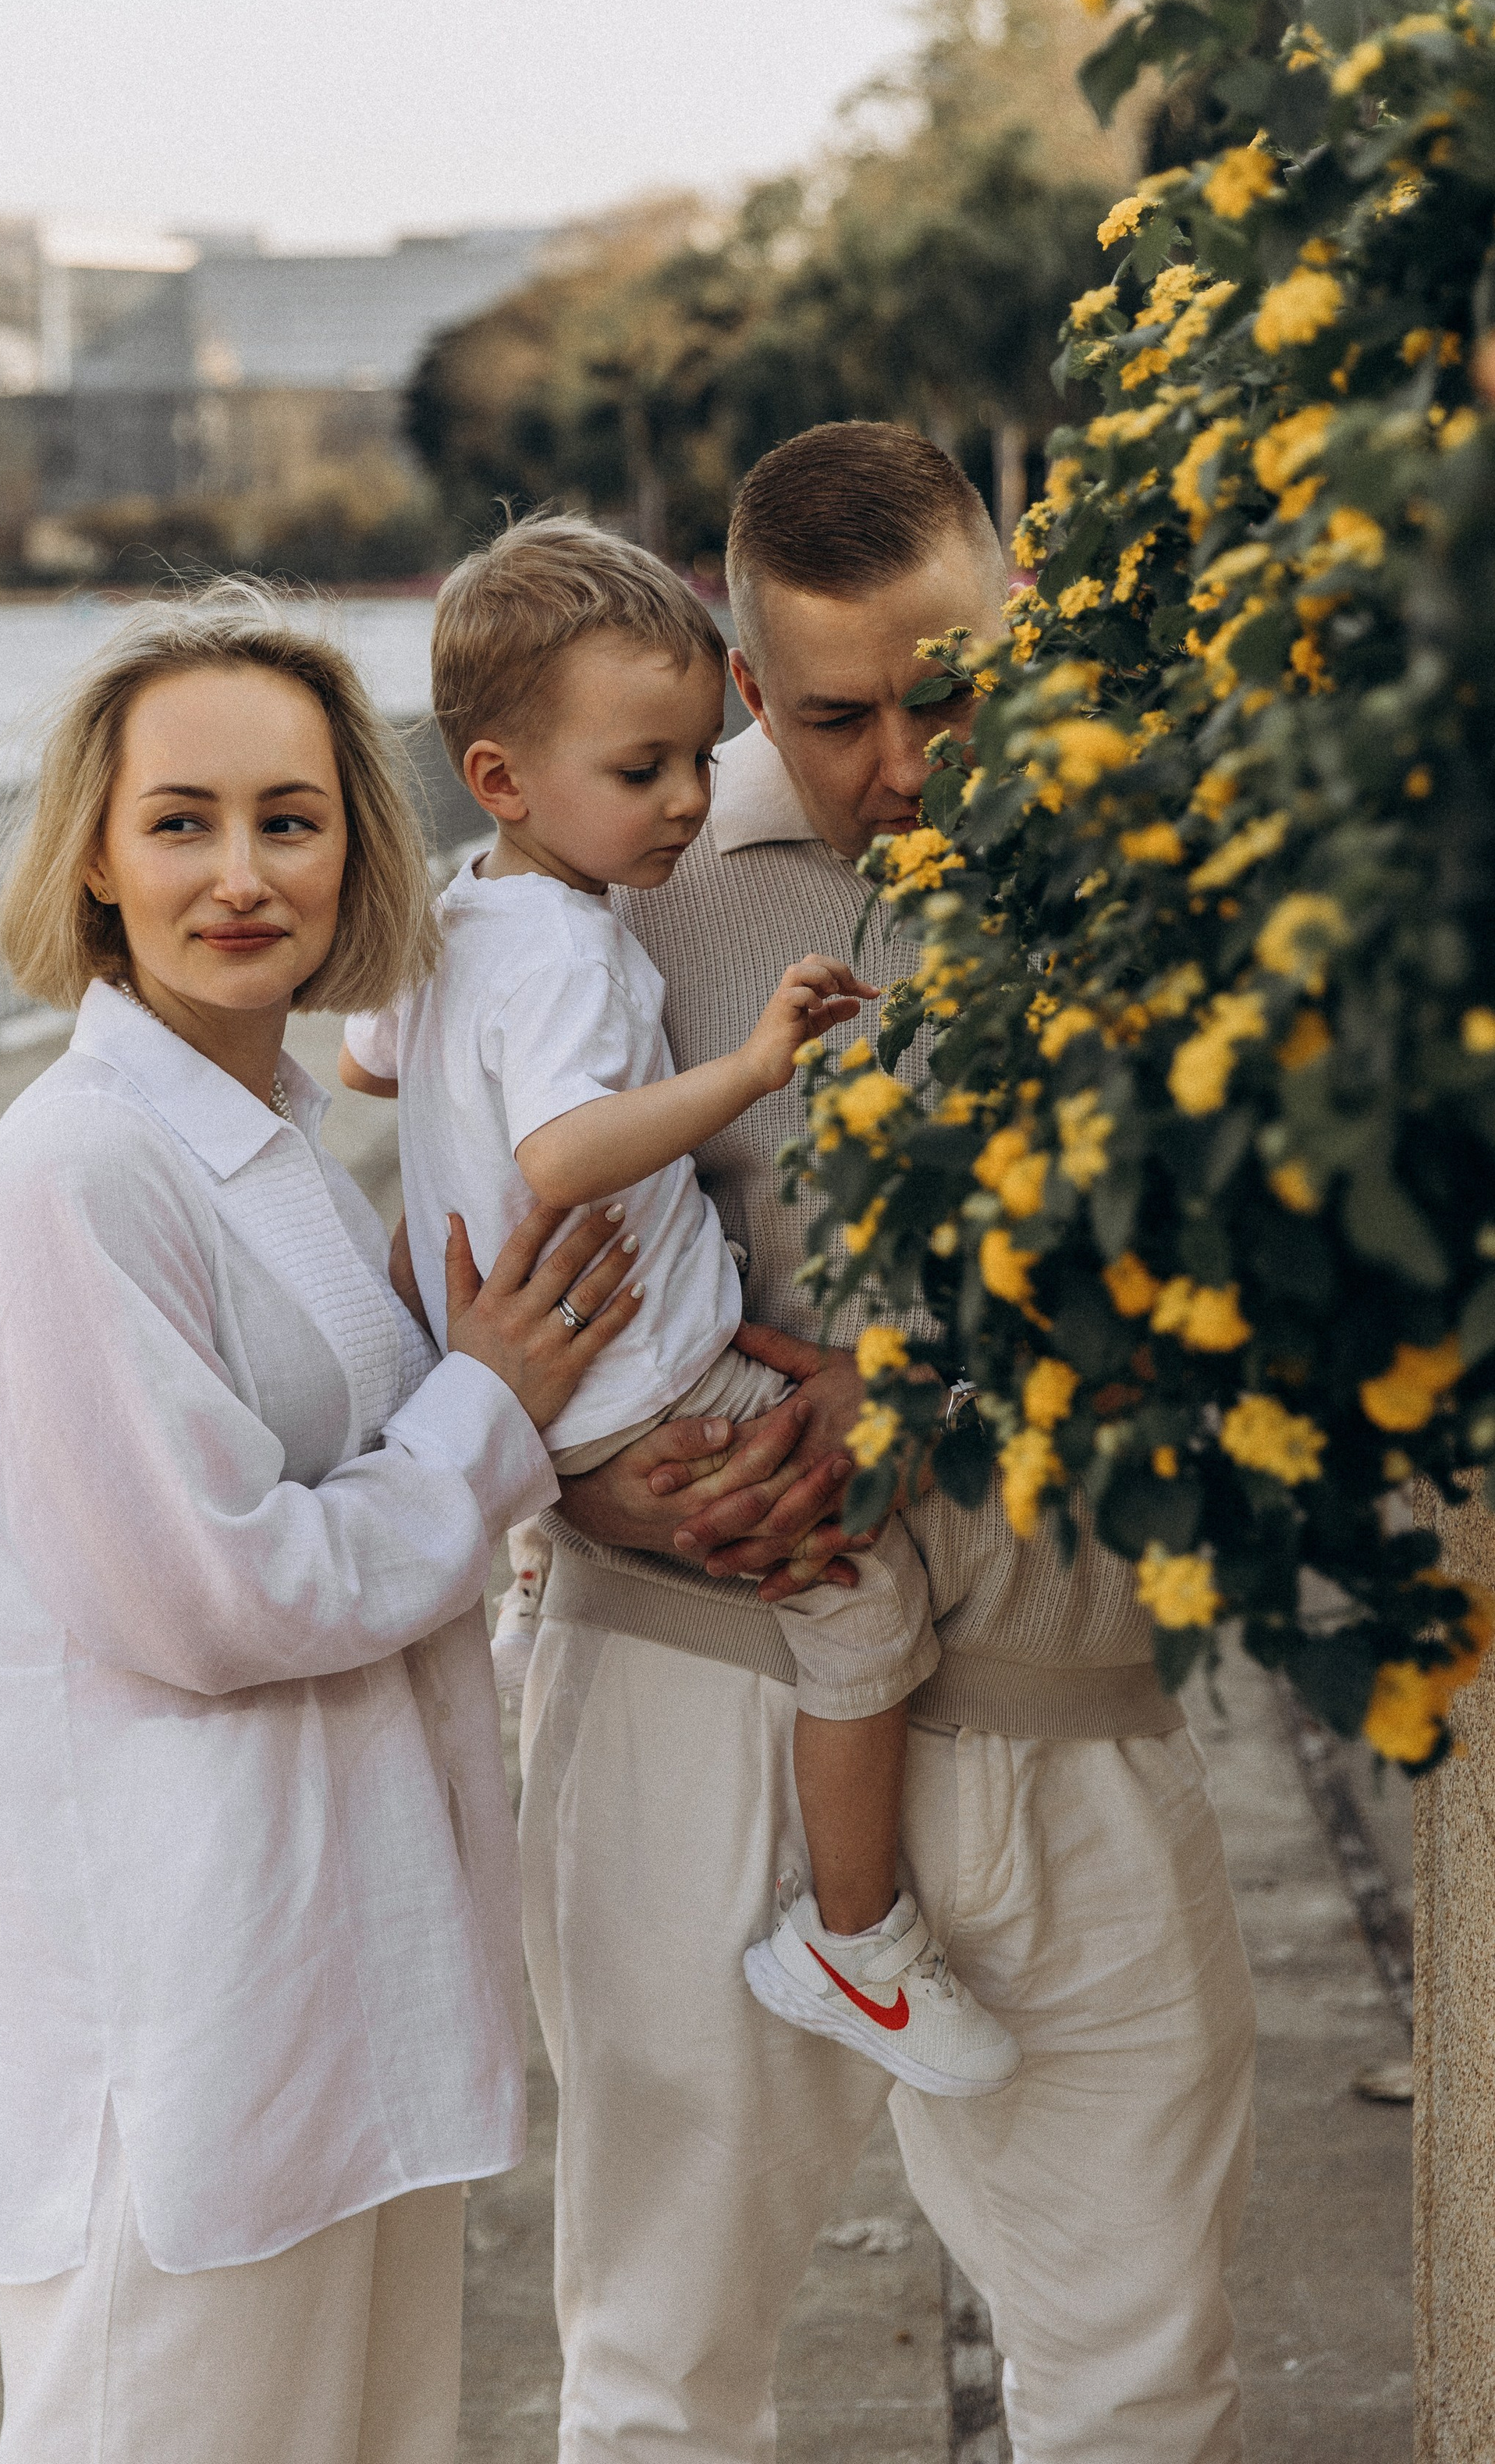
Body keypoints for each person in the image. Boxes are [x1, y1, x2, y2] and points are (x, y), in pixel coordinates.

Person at [520, 425, 1258, 2464]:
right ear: (748, 686)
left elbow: (1255, 1286)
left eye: (954, 687)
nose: (908, 761)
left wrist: (947, 1389)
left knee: (1143, 2383)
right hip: (699, 1693)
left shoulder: (1167, 873)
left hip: (1063, 1689)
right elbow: (434, 1267)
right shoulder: (621, 902)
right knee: (663, 2376)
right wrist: (570, 1472)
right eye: (839, 716)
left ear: (1019, 617)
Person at [0, 586, 650, 2464]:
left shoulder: (266, 1130)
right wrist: (491, 1411)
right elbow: (221, 1591)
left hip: (312, 1983)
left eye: (288, 820)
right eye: (182, 820)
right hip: (171, 2021)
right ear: (95, 865)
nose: (241, 872)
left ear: (356, 848)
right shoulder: (78, 1176)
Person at [339, 514, 1017, 2099]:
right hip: (639, 1381)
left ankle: (528, 1581)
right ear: (503, 780)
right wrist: (747, 1068)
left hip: (539, 1383)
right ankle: (853, 1942)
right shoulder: (572, 951)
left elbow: (370, 1060)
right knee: (865, 1613)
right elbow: (565, 1151)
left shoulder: (453, 913)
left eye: (697, 760)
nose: (688, 805)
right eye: (640, 773)